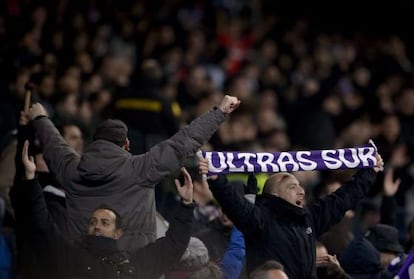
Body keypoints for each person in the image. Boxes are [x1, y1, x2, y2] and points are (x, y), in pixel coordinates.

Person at [28, 94, 240, 250]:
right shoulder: (140, 169)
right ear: (126, 144)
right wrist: (219, 113)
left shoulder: (71, 170)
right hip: (134, 266)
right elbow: (182, 143)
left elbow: (54, 145)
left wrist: (40, 119)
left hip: (83, 266)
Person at [9, 140, 196, 279]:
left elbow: (173, 245)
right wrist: (31, 179)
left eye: (105, 222)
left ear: (118, 233)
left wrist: (186, 204)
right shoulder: (70, 257)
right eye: (93, 222)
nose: (97, 226)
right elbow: (42, 228)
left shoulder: (134, 264)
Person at [198, 151, 384, 279]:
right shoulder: (260, 219)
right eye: (292, 186)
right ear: (274, 194)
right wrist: (216, 179)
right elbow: (234, 203)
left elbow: (343, 199)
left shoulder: (309, 218)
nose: (301, 191)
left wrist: (370, 172)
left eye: (300, 186)